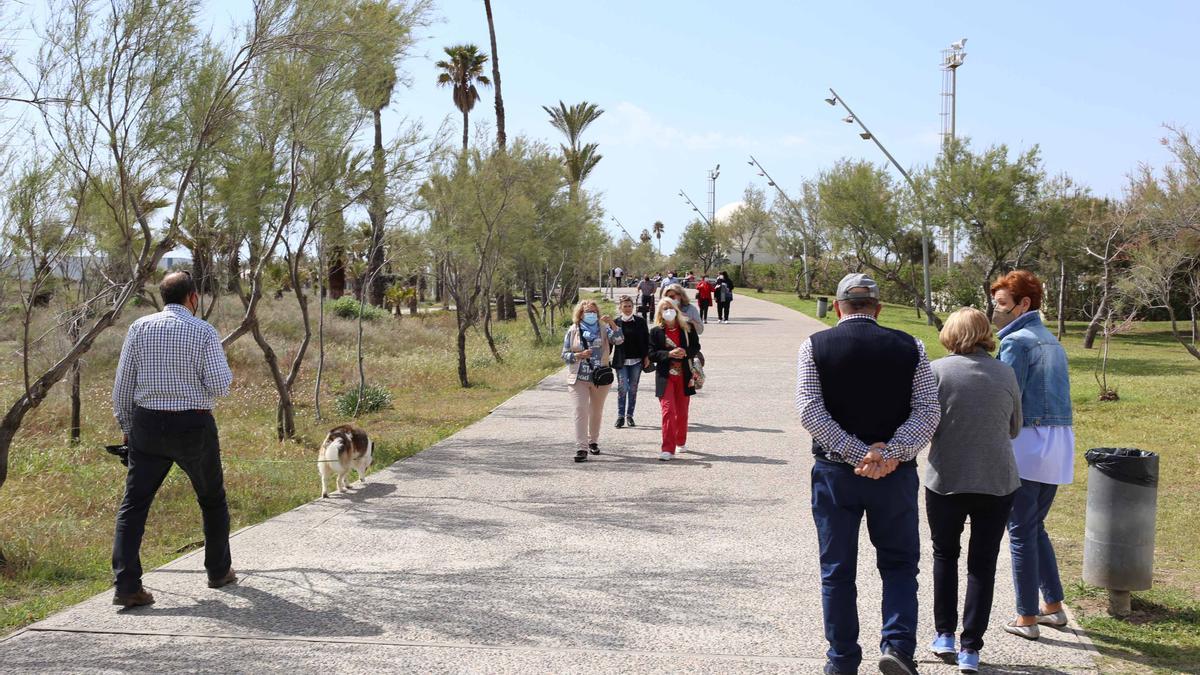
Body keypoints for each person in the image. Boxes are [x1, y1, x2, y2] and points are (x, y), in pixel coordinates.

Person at [794, 273, 940, 675]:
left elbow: (810, 410)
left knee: (837, 569)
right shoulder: (912, 346)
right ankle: (898, 646)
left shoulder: (815, 345)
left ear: (838, 307)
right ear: (878, 309)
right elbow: (928, 410)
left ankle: (841, 660)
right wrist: (888, 453)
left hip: (835, 473)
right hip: (894, 477)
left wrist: (858, 452)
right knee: (898, 565)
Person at [110, 271, 236, 608]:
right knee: (212, 499)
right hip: (193, 426)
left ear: (163, 296)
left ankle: (127, 586)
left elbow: (123, 385)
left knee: (134, 506)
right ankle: (218, 571)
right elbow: (220, 385)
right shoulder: (203, 332)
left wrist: (126, 426)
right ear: (192, 297)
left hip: (147, 425)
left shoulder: (139, 328)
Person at [925, 308, 1023, 673]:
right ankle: (971, 649)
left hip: (946, 479)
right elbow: (1015, 427)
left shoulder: (936, 371)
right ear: (984, 333)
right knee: (982, 564)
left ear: (950, 334)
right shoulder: (1005, 371)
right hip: (997, 480)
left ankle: (944, 635)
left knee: (944, 555)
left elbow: (924, 425)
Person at [990, 270, 1075, 641]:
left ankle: (1026, 617)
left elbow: (1007, 398)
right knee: (1034, 526)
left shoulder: (1018, 342)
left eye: (1002, 303)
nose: (996, 309)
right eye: (995, 302)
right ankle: (1053, 606)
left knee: (1021, 530)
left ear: (1024, 304)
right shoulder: (1051, 340)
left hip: (1027, 440)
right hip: (1057, 440)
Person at [562, 299, 624, 462]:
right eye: (587, 311)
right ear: (580, 314)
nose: (590, 314)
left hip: (600, 377)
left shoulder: (603, 328)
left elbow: (619, 340)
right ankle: (581, 448)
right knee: (580, 410)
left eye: (593, 311)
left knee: (596, 411)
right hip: (578, 378)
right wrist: (578, 355)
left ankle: (593, 441)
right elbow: (564, 355)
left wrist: (612, 323)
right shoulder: (573, 330)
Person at [648, 298, 700, 461]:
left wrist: (685, 352)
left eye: (670, 308)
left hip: (684, 376)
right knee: (668, 410)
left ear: (676, 310)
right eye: (664, 309)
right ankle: (667, 449)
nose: (668, 311)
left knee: (682, 412)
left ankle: (680, 441)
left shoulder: (688, 328)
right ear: (660, 313)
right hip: (665, 376)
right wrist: (668, 354)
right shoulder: (656, 332)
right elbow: (651, 354)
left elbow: (696, 348)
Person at [612, 295, 650, 428]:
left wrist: (646, 356)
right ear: (620, 307)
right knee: (622, 387)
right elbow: (611, 341)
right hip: (621, 361)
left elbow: (646, 340)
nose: (627, 309)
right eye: (625, 306)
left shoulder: (640, 321)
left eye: (629, 306)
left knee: (633, 388)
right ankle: (620, 416)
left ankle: (630, 416)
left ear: (633, 307)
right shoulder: (615, 322)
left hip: (636, 361)